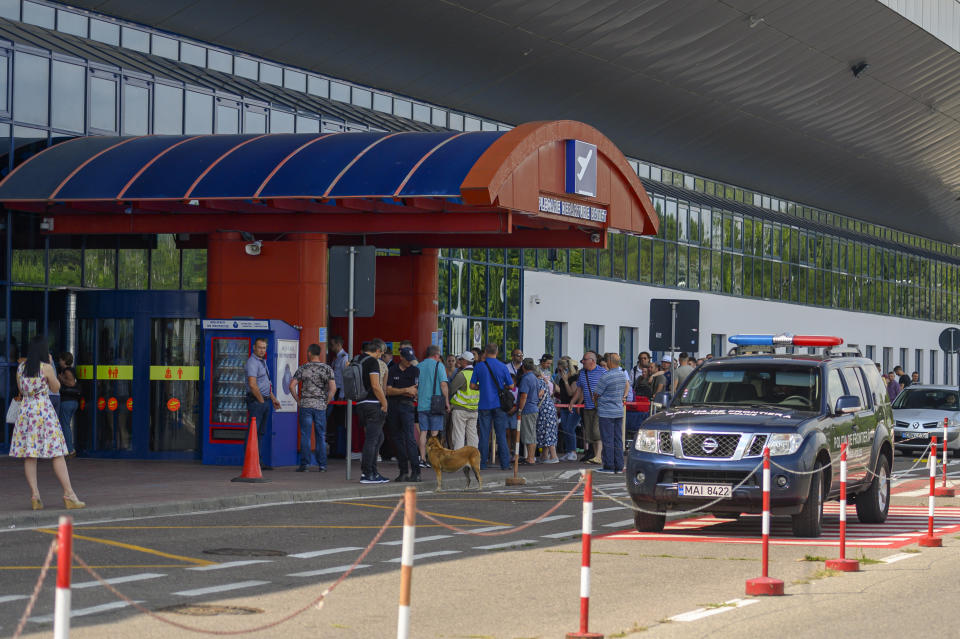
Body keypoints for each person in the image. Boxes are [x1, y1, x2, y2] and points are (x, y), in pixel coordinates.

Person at [9, 336, 84, 510]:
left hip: (26, 413)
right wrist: (52, 365)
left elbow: (21, 389)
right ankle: (69, 494)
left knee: (30, 455)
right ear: (44, 351)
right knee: (57, 453)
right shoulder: (47, 368)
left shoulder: (21, 368)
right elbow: (56, 388)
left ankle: (35, 496)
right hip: (43, 412)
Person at [289, 343, 336, 472]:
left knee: (305, 435)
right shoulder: (327, 369)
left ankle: (305, 465)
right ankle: (322, 465)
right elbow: (333, 388)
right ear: (319, 354)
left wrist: (298, 400)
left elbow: (291, 386)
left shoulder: (303, 368)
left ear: (309, 353)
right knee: (321, 435)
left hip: (305, 405)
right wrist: (326, 402)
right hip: (320, 406)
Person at [471, 342, 514, 470]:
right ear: (497, 352)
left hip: (484, 404)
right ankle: (505, 464)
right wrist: (502, 387)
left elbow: (472, 386)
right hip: (499, 405)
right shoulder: (502, 366)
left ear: (485, 352)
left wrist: (482, 387)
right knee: (501, 434)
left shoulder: (479, 366)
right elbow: (511, 386)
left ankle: (482, 463)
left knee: (484, 434)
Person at [355, 340, 389, 483]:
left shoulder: (356, 360)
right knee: (372, 439)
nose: (381, 356)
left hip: (360, 403)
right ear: (377, 351)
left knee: (378, 438)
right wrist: (384, 402)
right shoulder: (372, 362)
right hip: (373, 404)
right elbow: (376, 385)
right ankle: (367, 473)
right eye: (381, 353)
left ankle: (373, 472)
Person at [245, 337, 281, 470]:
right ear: (254, 347)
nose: (262, 350)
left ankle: (257, 461)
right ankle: (250, 462)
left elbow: (266, 383)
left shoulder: (262, 362)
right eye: (259, 347)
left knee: (260, 433)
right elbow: (253, 385)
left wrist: (273, 398)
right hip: (256, 401)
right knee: (253, 432)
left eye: (264, 348)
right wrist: (261, 400)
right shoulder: (252, 363)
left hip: (265, 401)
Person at [386, 346, 420, 482]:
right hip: (393, 407)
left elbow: (414, 391)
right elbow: (388, 390)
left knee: (410, 439)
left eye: (411, 360)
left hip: (407, 406)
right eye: (407, 360)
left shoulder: (415, 370)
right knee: (396, 439)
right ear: (401, 358)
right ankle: (403, 470)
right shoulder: (392, 370)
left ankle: (416, 472)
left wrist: (398, 390)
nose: (409, 362)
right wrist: (405, 389)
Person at [593, 353, 628, 474]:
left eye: (607, 360)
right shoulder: (623, 375)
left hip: (606, 412)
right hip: (618, 410)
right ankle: (619, 464)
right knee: (618, 438)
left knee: (607, 439)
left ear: (611, 362)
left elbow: (596, 393)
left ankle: (609, 465)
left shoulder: (606, 376)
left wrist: (596, 402)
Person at [571, 351, 604, 464]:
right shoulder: (582, 373)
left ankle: (599, 456)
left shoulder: (602, 372)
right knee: (590, 434)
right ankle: (596, 456)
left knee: (596, 432)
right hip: (588, 406)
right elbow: (579, 389)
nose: (582, 362)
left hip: (600, 407)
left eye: (584, 360)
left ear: (592, 361)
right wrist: (572, 402)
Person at [417, 344, 450, 448]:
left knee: (423, 432)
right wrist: (447, 402)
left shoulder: (419, 366)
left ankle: (422, 458)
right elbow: (443, 385)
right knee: (434, 434)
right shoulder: (439, 365)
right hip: (436, 405)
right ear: (436, 355)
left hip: (422, 404)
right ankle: (432, 458)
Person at [448, 351, 479, 450]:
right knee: (472, 436)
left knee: (458, 436)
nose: (459, 361)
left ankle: (459, 463)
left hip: (461, 409)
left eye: (460, 359)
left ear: (465, 361)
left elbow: (451, 389)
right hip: (474, 409)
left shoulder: (462, 375)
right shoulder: (478, 373)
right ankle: (472, 461)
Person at [327, 335, 350, 458]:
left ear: (338, 345)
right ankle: (336, 449)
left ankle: (341, 450)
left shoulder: (344, 358)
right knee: (335, 422)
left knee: (341, 423)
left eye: (332, 345)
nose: (331, 347)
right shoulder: (336, 359)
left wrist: (342, 395)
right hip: (335, 391)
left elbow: (346, 379)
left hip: (340, 392)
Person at [516, 358, 541, 465]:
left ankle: (530, 458)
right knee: (532, 433)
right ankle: (530, 457)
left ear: (523, 367)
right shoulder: (534, 378)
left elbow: (523, 396)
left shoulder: (525, 379)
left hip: (528, 409)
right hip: (534, 407)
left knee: (529, 434)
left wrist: (520, 409)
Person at [555, 357, 580, 460]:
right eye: (559, 370)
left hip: (573, 406)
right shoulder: (561, 379)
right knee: (565, 429)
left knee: (570, 428)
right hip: (564, 406)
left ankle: (573, 451)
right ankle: (568, 451)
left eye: (561, 370)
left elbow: (571, 393)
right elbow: (561, 392)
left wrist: (566, 381)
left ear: (567, 369)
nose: (560, 372)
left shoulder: (574, 378)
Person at [534, 366, 559, 463]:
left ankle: (554, 456)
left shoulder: (538, 382)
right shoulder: (544, 381)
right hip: (549, 409)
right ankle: (544, 456)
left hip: (544, 410)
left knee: (547, 431)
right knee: (546, 431)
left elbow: (540, 394)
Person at [56, 351, 80, 455]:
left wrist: (61, 379)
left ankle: (70, 449)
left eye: (60, 360)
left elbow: (71, 383)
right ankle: (67, 448)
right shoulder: (72, 370)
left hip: (67, 402)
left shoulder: (67, 371)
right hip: (73, 402)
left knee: (65, 425)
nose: (59, 362)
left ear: (64, 361)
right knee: (65, 425)